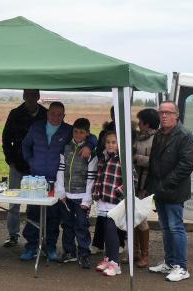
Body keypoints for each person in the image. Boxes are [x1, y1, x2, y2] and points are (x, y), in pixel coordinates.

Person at [20, 102, 95, 262]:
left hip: (56, 182)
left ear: (64, 116)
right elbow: (25, 145)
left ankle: (51, 247)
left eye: (59, 114)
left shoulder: (68, 130)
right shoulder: (36, 127)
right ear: (47, 114)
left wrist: (89, 144)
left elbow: (91, 137)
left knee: (54, 216)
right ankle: (31, 246)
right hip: (36, 180)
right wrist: (30, 161)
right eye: (53, 113)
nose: (56, 117)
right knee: (33, 213)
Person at [146, 101, 193, 282]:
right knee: (165, 228)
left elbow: (186, 165)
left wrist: (165, 184)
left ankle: (181, 267)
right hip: (160, 191)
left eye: (168, 112)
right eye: (161, 112)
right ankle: (169, 262)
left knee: (176, 228)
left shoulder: (185, 135)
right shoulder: (159, 133)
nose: (164, 116)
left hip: (174, 191)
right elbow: (153, 162)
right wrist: (150, 187)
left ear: (177, 115)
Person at [1, 89, 47, 247]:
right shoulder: (15, 113)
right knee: (14, 201)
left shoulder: (45, 114)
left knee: (35, 204)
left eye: (34, 95)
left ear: (38, 97)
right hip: (17, 165)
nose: (31, 98)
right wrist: (10, 160)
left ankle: (34, 237)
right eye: (28, 95)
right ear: (24, 96)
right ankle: (13, 234)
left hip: (38, 167)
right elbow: (6, 137)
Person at [54, 118, 98, 269]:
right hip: (66, 195)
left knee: (82, 225)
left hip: (81, 196)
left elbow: (91, 177)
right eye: (75, 131)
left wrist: (87, 199)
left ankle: (84, 253)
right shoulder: (66, 147)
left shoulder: (91, 152)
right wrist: (60, 190)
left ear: (87, 134)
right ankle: (69, 252)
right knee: (67, 224)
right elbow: (61, 169)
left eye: (81, 132)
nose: (78, 135)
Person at [92, 131, 125, 276]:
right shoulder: (102, 158)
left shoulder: (122, 160)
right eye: (108, 142)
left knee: (112, 231)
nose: (110, 145)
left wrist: (118, 192)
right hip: (102, 200)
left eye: (113, 142)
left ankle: (115, 263)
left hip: (114, 202)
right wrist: (96, 192)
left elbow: (132, 180)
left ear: (118, 145)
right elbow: (99, 177)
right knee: (105, 230)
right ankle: (108, 257)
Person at [132, 108, 160, 268]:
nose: (138, 124)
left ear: (147, 123)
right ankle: (135, 252)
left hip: (145, 185)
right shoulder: (139, 137)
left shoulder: (156, 139)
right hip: (134, 183)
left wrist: (135, 158)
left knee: (141, 219)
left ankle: (144, 255)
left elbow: (156, 162)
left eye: (140, 121)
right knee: (134, 217)